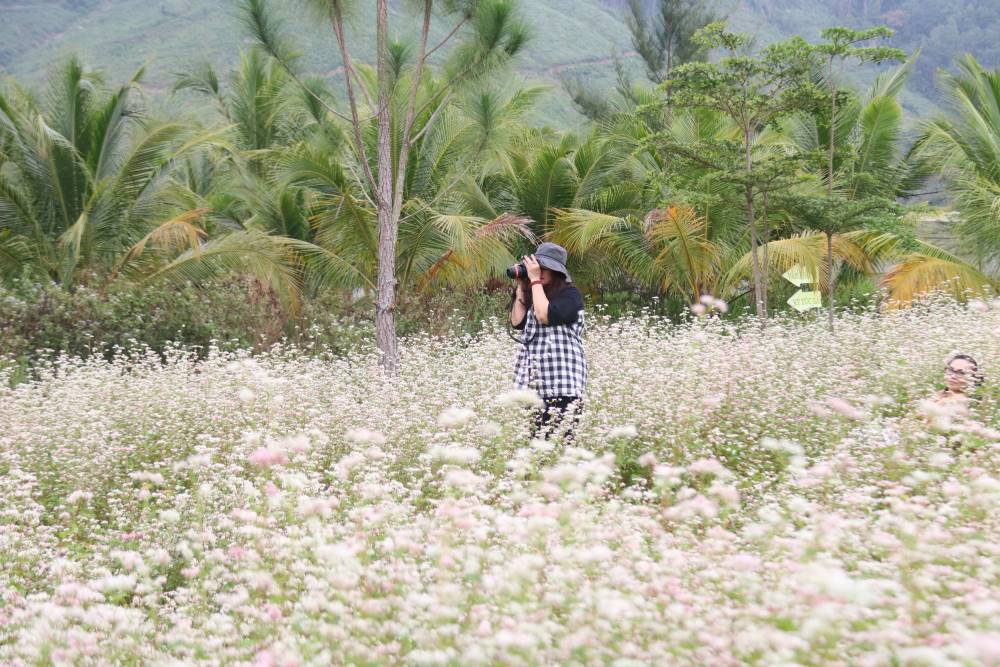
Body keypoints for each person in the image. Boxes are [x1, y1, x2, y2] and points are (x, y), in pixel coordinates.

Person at [509, 242, 587, 440]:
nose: (540, 272)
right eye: (537, 267)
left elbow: (544, 316)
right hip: (537, 385)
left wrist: (534, 282)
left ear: (557, 272)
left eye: (545, 268)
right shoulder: (536, 295)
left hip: (563, 385)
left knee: (560, 444)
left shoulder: (570, 295)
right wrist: (522, 285)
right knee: (537, 446)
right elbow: (517, 322)